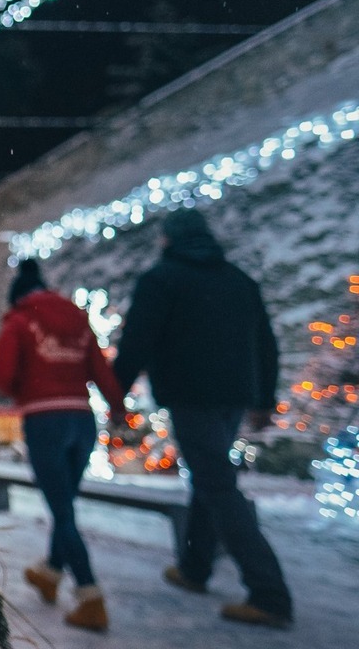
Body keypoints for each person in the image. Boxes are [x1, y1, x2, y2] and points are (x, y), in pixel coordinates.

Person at [114, 208, 293, 628]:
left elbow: (138, 339)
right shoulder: (239, 281)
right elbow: (265, 343)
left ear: (168, 240)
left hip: (191, 395)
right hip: (234, 396)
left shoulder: (161, 280)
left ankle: (270, 594)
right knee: (209, 477)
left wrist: (114, 391)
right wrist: (263, 399)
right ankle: (195, 568)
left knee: (216, 483)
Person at [0, 258, 126, 632]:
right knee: (64, 502)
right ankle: (50, 571)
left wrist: (24, 391)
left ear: (19, 297)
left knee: (62, 510)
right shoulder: (78, 319)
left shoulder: (19, 320)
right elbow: (100, 368)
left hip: (45, 421)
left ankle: (90, 596)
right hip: (82, 420)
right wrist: (116, 406)